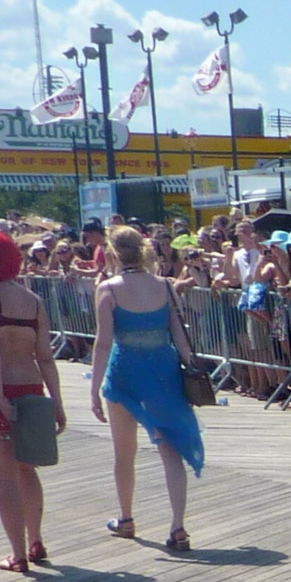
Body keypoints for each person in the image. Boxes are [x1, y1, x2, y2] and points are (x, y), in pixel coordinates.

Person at [91, 224, 203, 552]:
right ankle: (178, 527)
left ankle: (126, 519)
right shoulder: (165, 286)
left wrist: (94, 388)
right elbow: (179, 334)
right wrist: (192, 369)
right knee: (171, 451)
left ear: (112, 253)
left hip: (124, 373)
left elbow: (103, 343)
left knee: (125, 453)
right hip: (163, 373)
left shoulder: (108, 288)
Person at [0, 226, 66, 574]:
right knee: (28, 471)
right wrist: (59, 402)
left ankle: (18, 555)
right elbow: (45, 356)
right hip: (32, 388)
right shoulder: (32, 300)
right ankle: (35, 540)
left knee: (4, 478)